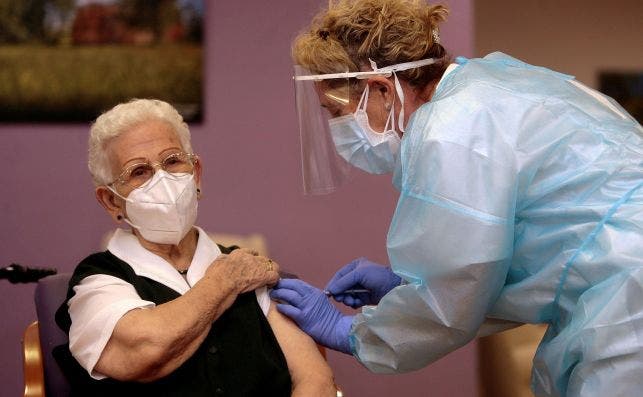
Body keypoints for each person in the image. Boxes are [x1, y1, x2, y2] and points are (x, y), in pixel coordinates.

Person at [269, 1, 643, 396]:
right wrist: (408, 287)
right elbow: (499, 259)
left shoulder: (452, 127)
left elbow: (456, 290)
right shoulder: (487, 84)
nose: (337, 129)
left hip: (629, 300)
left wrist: (352, 331)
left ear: (380, 89)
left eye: (335, 113)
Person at [53, 99, 337, 396]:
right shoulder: (98, 281)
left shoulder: (245, 267)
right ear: (112, 201)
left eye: (173, 161)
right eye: (139, 172)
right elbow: (146, 349)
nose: (162, 179)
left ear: (196, 173)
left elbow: (315, 379)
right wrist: (224, 282)